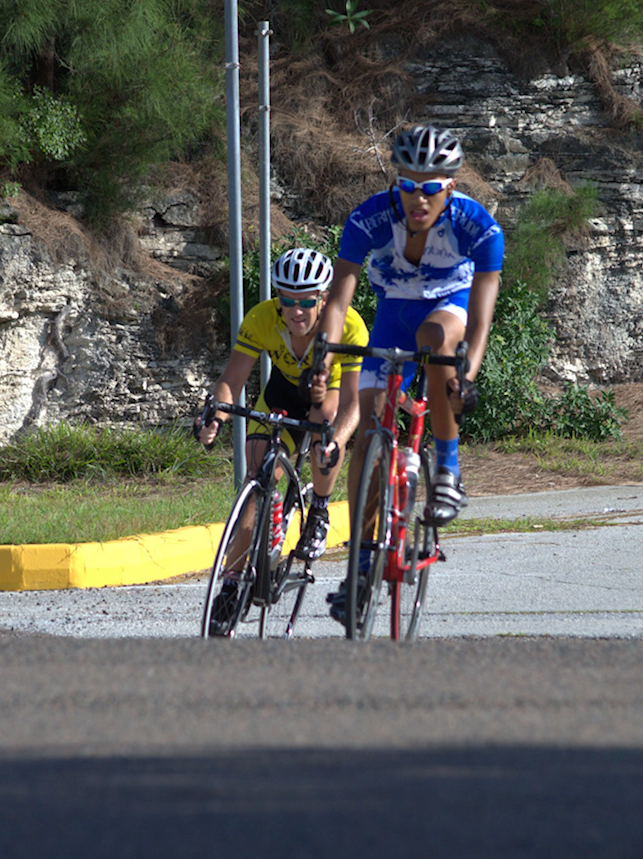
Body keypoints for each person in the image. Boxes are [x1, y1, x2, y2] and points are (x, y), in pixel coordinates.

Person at [315, 124, 502, 622]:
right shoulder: (371, 218)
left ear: (450, 188)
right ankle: (359, 562)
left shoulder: (477, 226)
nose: (418, 198)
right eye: (408, 185)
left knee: (437, 345)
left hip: (448, 308)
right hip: (393, 312)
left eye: (431, 188)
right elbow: (339, 297)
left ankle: (447, 468)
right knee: (372, 430)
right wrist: (326, 354)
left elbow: (481, 317)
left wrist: (469, 371)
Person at [195, 247, 368, 636]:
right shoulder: (261, 318)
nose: (296, 311)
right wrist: (216, 415)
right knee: (257, 485)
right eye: (286, 300)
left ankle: (319, 508)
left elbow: (355, 403)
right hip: (282, 392)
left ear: (324, 297)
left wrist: (336, 440)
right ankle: (232, 583)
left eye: (306, 301)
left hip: (330, 395)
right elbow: (232, 381)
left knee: (324, 426)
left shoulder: (351, 326)